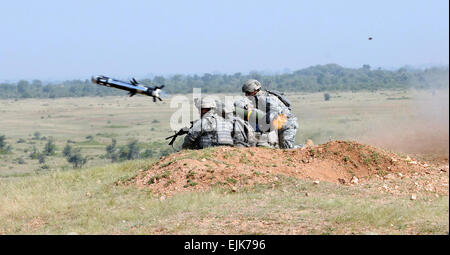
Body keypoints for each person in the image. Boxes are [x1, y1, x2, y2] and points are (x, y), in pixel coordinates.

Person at [239, 79, 299, 149]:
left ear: (254, 91)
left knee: (288, 149)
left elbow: (273, 114)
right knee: (281, 149)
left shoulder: (266, 98)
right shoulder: (255, 99)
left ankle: (304, 148)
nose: (246, 95)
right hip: (277, 125)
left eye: (248, 93)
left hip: (287, 123)